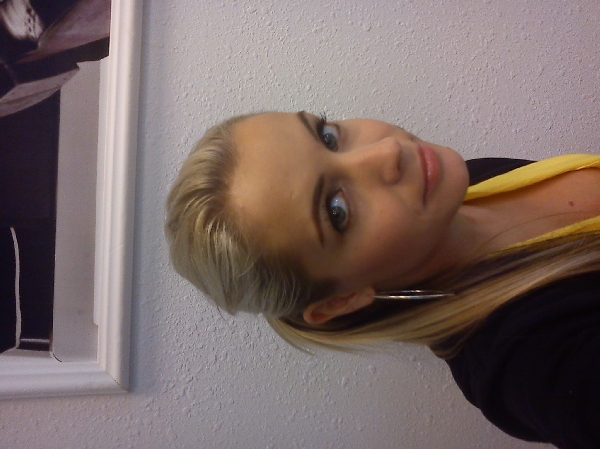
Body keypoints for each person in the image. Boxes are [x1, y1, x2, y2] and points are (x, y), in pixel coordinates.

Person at [165, 111, 600, 448]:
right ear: (341, 300)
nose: (387, 152)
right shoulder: (533, 364)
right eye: (337, 210)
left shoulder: (460, 189)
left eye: (327, 137)